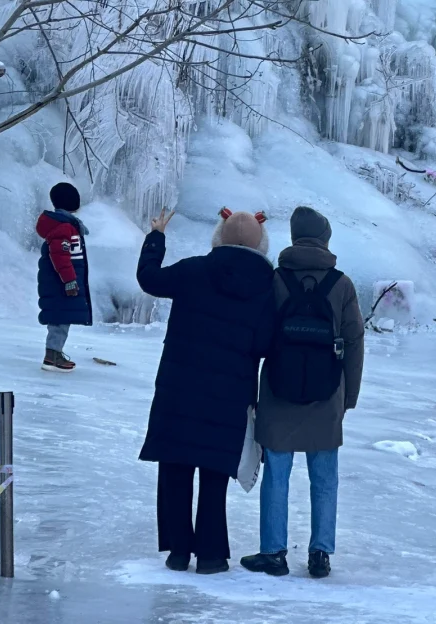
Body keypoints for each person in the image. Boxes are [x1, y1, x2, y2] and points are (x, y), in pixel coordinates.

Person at [136, 206, 275, 574]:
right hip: (230, 392)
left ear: (219, 236)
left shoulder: (193, 269)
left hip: (180, 387)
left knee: (176, 467)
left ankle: (179, 550)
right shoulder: (267, 286)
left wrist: (156, 237)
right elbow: (264, 343)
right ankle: (211, 554)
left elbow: (150, 279)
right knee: (215, 472)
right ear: (261, 244)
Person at [242, 205, 364, 580]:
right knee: (324, 475)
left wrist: (251, 391)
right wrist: (349, 397)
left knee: (277, 472)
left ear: (294, 238)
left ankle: (273, 552)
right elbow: (355, 340)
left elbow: (256, 337)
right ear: (325, 239)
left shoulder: (275, 279)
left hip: (278, 390)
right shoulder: (341, 284)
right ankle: (320, 553)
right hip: (327, 394)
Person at [35, 181, 92, 372]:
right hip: (60, 283)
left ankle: (54, 353)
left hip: (57, 281)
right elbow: (60, 255)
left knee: (60, 318)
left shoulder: (65, 225)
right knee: (60, 319)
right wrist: (69, 281)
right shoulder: (64, 227)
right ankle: (52, 356)